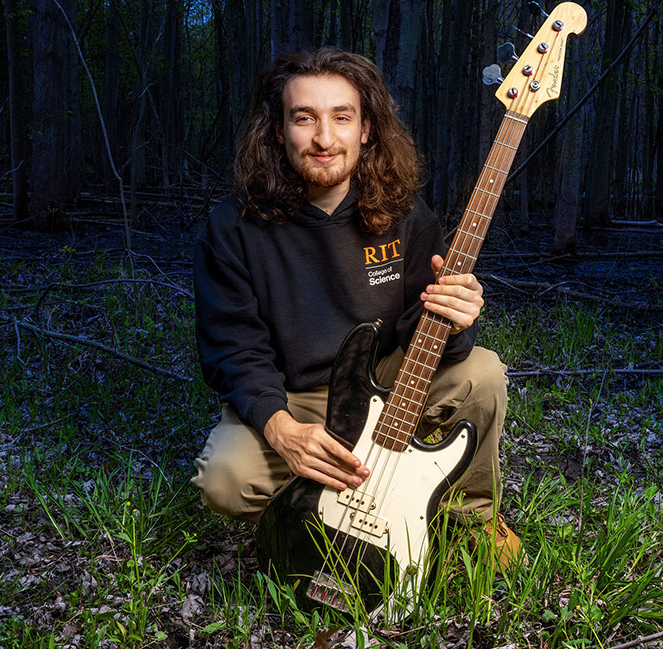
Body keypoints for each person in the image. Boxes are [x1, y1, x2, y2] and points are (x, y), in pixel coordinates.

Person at [190, 47, 519, 570]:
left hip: (382, 387)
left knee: (483, 372)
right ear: (278, 131)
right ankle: (311, 516)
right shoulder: (233, 227)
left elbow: (424, 334)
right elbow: (235, 348)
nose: (325, 138)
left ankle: (467, 515)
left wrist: (455, 322)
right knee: (225, 481)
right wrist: (280, 429)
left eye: (342, 117)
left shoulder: (407, 216)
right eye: (305, 118)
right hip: (293, 397)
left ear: (367, 128)